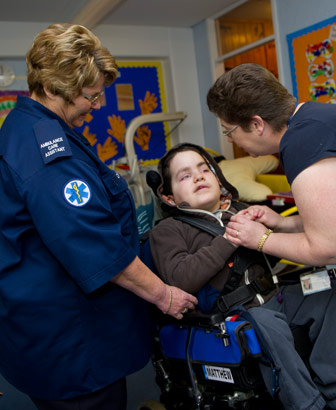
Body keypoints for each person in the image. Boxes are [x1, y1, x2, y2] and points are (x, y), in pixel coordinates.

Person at [0, 23, 197, 410]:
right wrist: (165, 296)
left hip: (45, 321)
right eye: (91, 96)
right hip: (71, 335)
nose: (98, 104)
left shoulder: (29, 127)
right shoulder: (46, 150)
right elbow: (95, 247)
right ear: (55, 89)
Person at [149, 142, 336, 410]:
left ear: (219, 179)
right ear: (169, 197)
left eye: (205, 169)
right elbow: (181, 278)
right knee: (267, 323)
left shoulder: (239, 210)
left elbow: (272, 255)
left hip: (273, 295)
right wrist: (230, 237)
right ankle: (308, 404)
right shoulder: (168, 230)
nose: (199, 176)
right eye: (185, 175)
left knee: (327, 291)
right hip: (229, 314)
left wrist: (271, 228)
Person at [206, 62, 336, 269]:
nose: (230, 140)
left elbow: (333, 249)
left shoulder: (301, 141)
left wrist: (260, 239)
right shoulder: (312, 118)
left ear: (256, 125)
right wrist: (283, 223)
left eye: (229, 131)